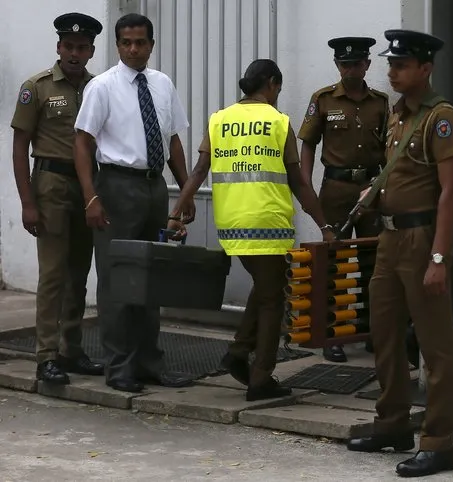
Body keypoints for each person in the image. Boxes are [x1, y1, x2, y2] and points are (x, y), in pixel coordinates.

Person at [168, 59, 334, 401]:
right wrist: (325, 225)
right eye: (278, 88)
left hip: (231, 224)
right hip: (268, 223)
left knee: (266, 286)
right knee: (274, 299)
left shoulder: (220, 119)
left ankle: (239, 351)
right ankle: (261, 378)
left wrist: (177, 211)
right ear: (271, 83)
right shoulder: (278, 122)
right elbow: (299, 183)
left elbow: (199, 170)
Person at [346, 30, 453, 478]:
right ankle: (392, 423)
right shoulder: (396, 115)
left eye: (401, 65)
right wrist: (374, 194)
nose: (391, 71)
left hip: (421, 242)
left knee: (436, 346)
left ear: (425, 69)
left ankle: (438, 441)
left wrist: (439, 257)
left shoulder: (441, 118)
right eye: (390, 64)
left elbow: (452, 191)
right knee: (385, 333)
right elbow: (401, 174)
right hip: (390, 239)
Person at [73, 13, 196, 393]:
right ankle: (119, 366)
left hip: (153, 187)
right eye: (126, 42)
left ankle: (149, 362)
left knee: (152, 277)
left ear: (151, 45)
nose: (133, 49)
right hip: (115, 187)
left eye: (140, 42)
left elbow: (172, 139)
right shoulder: (103, 87)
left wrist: (185, 189)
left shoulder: (162, 84)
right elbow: (82, 141)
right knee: (117, 280)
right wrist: (91, 196)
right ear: (117, 45)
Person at [10, 12, 105, 384]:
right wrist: (27, 202)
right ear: (58, 47)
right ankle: (46, 355)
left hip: (88, 187)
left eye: (82, 47)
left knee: (79, 273)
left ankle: (71, 349)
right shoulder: (38, 87)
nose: (75, 53)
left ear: (91, 51)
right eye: (69, 46)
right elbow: (19, 149)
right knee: (52, 274)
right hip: (50, 184)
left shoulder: (99, 88)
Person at [298, 37, 388, 363]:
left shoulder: (381, 102)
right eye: (344, 64)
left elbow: (389, 149)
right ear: (337, 65)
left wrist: (383, 185)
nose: (350, 69)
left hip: (371, 189)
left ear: (367, 64)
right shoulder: (322, 100)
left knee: (372, 263)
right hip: (335, 190)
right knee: (335, 261)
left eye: (356, 63)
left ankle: (369, 333)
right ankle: (333, 335)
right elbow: (308, 143)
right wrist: (305, 185)